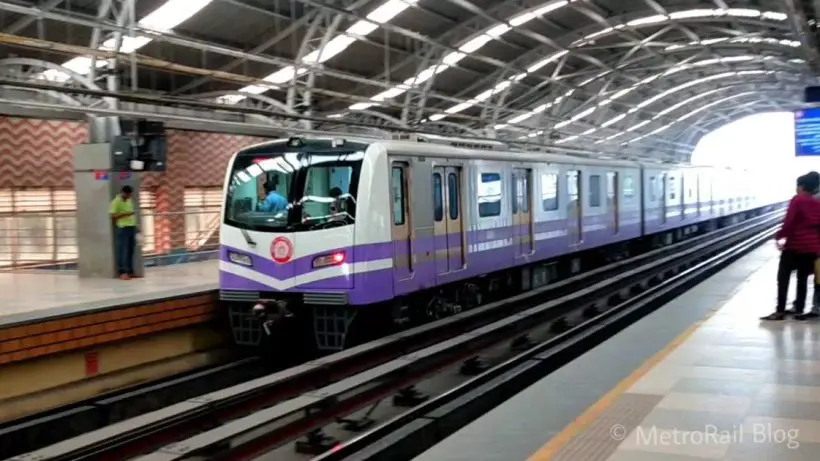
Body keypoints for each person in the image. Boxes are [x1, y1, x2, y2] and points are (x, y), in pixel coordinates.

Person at [762, 173, 820, 320]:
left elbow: (789, 222)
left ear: (801, 186)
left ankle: (780, 311)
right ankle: (799, 309)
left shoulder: (798, 200)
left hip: (795, 246)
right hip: (812, 247)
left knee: (783, 278)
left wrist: (779, 236)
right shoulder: (816, 202)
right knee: (802, 279)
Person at [109, 185, 139, 280]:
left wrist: (136, 226)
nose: (129, 196)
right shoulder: (116, 201)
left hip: (131, 227)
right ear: (122, 192)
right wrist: (126, 214)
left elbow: (132, 214)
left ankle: (130, 271)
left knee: (130, 250)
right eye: (127, 194)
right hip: (122, 228)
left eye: (130, 194)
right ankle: (122, 272)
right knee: (122, 250)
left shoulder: (129, 200)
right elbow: (113, 216)